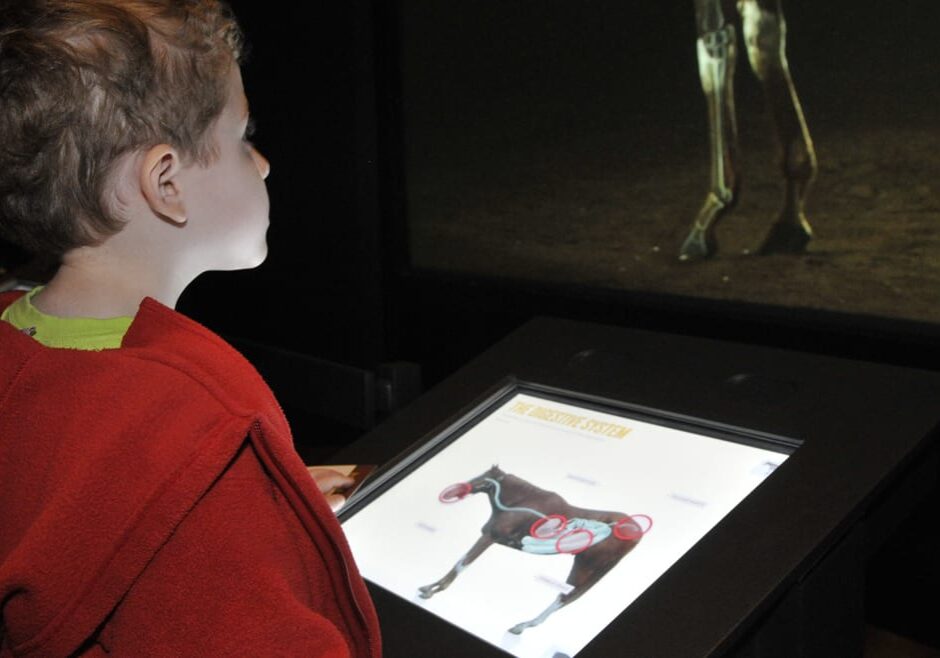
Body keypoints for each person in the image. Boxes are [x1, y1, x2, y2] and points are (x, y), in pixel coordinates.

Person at [0, 1, 381, 655]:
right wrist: (216, 494)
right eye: (239, 137)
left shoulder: (17, 336)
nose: (261, 163)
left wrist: (254, 508)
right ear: (166, 183)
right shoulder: (197, 420)